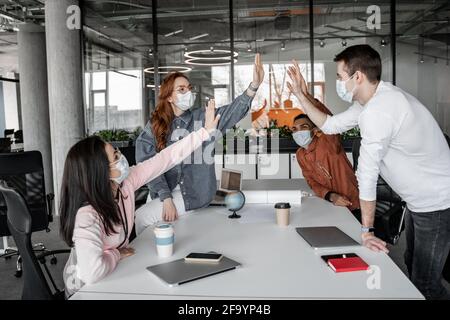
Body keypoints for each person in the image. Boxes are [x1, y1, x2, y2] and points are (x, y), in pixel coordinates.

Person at [287, 44, 450, 300]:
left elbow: (367, 175)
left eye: (341, 77)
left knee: (426, 283)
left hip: (436, 204)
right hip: (419, 202)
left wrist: (367, 231)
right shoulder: (371, 102)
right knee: (411, 264)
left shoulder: (380, 111)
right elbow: (329, 125)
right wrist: (300, 94)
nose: (339, 82)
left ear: (358, 76)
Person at [60, 101, 220, 297]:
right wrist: (116, 254)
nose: (122, 157)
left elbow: (165, 159)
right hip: (85, 289)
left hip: (114, 275)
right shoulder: (87, 215)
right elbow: (92, 273)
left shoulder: (124, 184)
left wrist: (204, 132)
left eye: (117, 151)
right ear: (99, 171)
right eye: (115, 156)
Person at [134, 54, 265, 235]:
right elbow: (148, 165)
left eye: (189, 88)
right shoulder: (155, 125)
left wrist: (253, 86)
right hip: (162, 195)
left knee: (142, 217)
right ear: (169, 97)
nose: (188, 93)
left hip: (193, 196)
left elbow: (233, 112)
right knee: (150, 228)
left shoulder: (204, 118)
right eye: (181, 89)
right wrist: (165, 197)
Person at [292, 103, 361, 221]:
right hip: (330, 204)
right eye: (294, 129)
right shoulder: (300, 154)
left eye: (303, 127)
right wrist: (330, 196)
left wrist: (308, 99)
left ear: (315, 130)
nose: (298, 132)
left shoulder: (328, 142)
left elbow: (330, 122)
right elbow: (312, 182)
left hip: (352, 204)